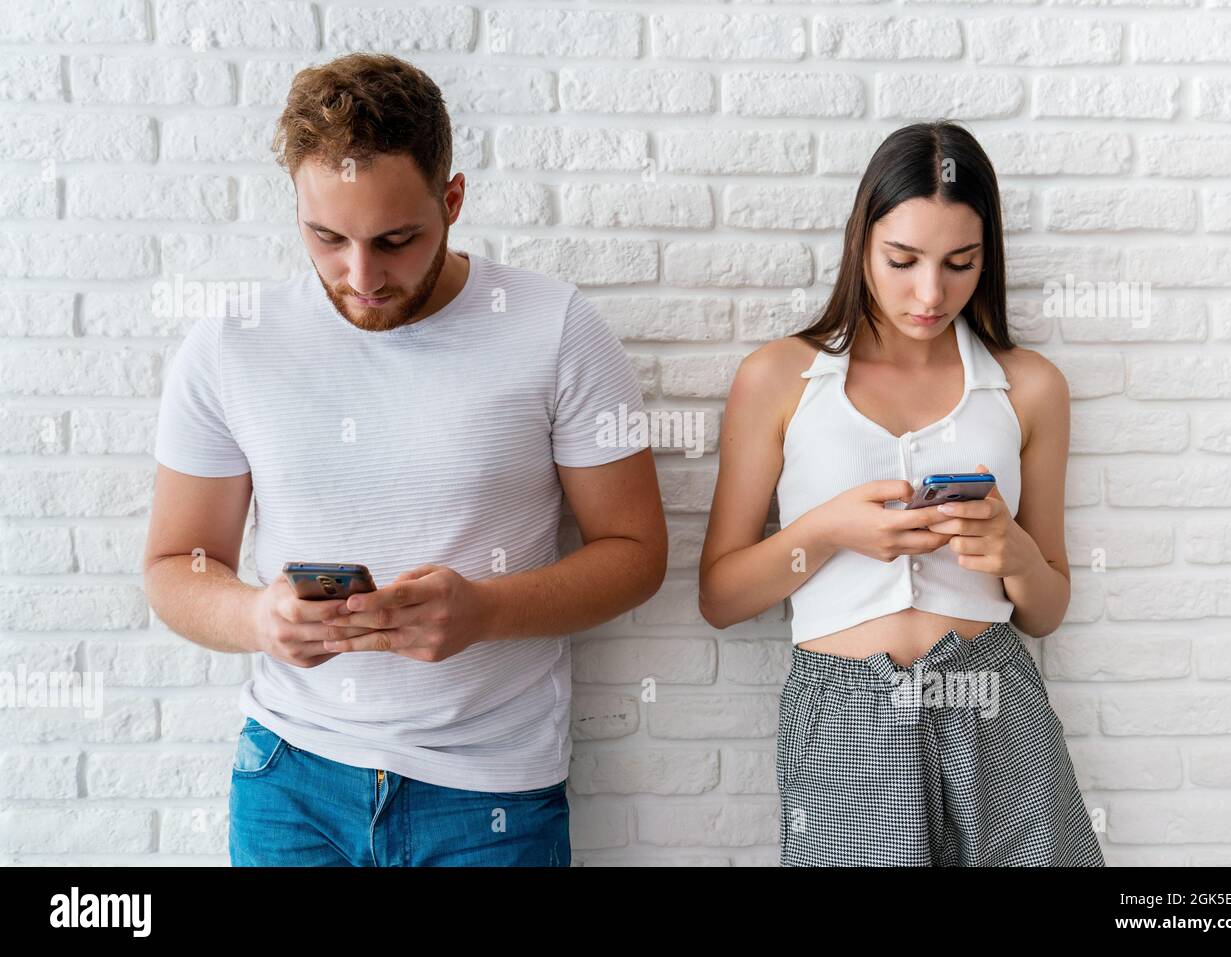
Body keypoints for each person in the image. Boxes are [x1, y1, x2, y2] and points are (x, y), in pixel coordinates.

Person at [141, 53, 667, 866]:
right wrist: (256, 617)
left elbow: (636, 554)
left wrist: (486, 611)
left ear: (452, 201)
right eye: (327, 238)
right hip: (291, 781)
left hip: (490, 792)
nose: (361, 278)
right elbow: (177, 564)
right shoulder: (230, 344)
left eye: (395, 239)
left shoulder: (556, 328)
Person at [698, 121, 1104, 867]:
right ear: (862, 242)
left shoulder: (1032, 387)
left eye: (960, 263)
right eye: (902, 259)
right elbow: (720, 596)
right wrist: (827, 531)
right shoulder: (778, 378)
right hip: (847, 716)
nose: (930, 292)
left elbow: (1046, 609)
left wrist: (1012, 551)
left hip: (994, 702)